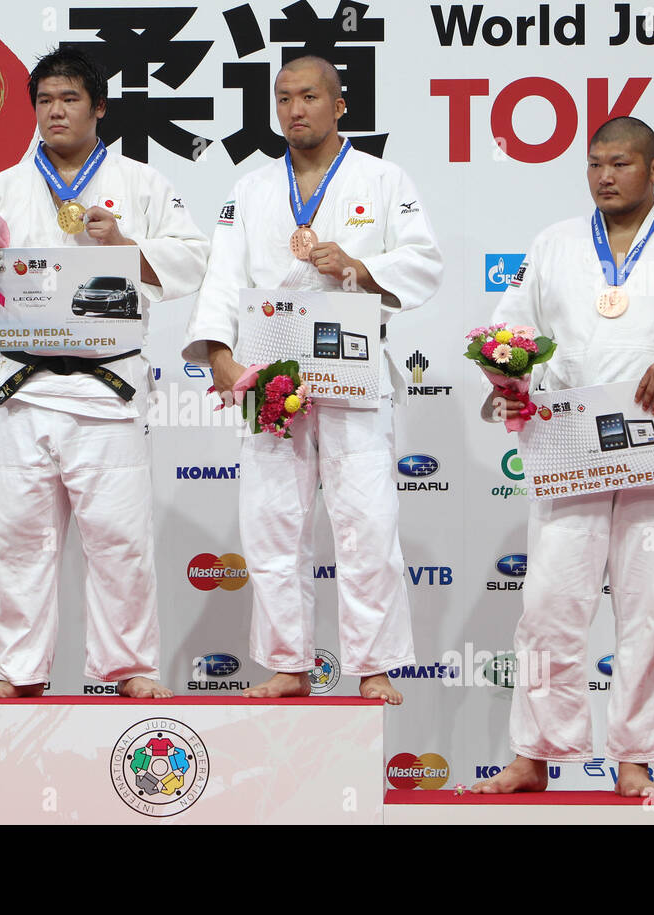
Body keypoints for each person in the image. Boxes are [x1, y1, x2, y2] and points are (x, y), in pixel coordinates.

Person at [470, 117, 654, 796]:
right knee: (547, 603)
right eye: (596, 163)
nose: (606, 175)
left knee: (651, 605)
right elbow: (512, 333)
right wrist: (510, 383)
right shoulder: (555, 244)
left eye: (622, 163)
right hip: (573, 446)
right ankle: (535, 753)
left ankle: (636, 755)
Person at [0, 47, 208, 699]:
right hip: (24, 389)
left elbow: (195, 259)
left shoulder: (141, 184)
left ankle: (129, 666)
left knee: (120, 542)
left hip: (104, 387)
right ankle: (20, 669)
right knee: (19, 541)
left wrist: (121, 246)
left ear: (99, 107)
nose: (56, 111)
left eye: (70, 99)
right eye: (46, 101)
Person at [182, 55, 443, 704]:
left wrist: (360, 262)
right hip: (271, 370)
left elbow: (424, 262)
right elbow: (222, 275)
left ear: (339, 104)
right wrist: (216, 353)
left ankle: (375, 663)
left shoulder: (383, 179)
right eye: (283, 98)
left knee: (368, 521)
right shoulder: (249, 189)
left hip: (352, 368)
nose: (295, 109)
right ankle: (287, 663)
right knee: (272, 522)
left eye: (308, 96)